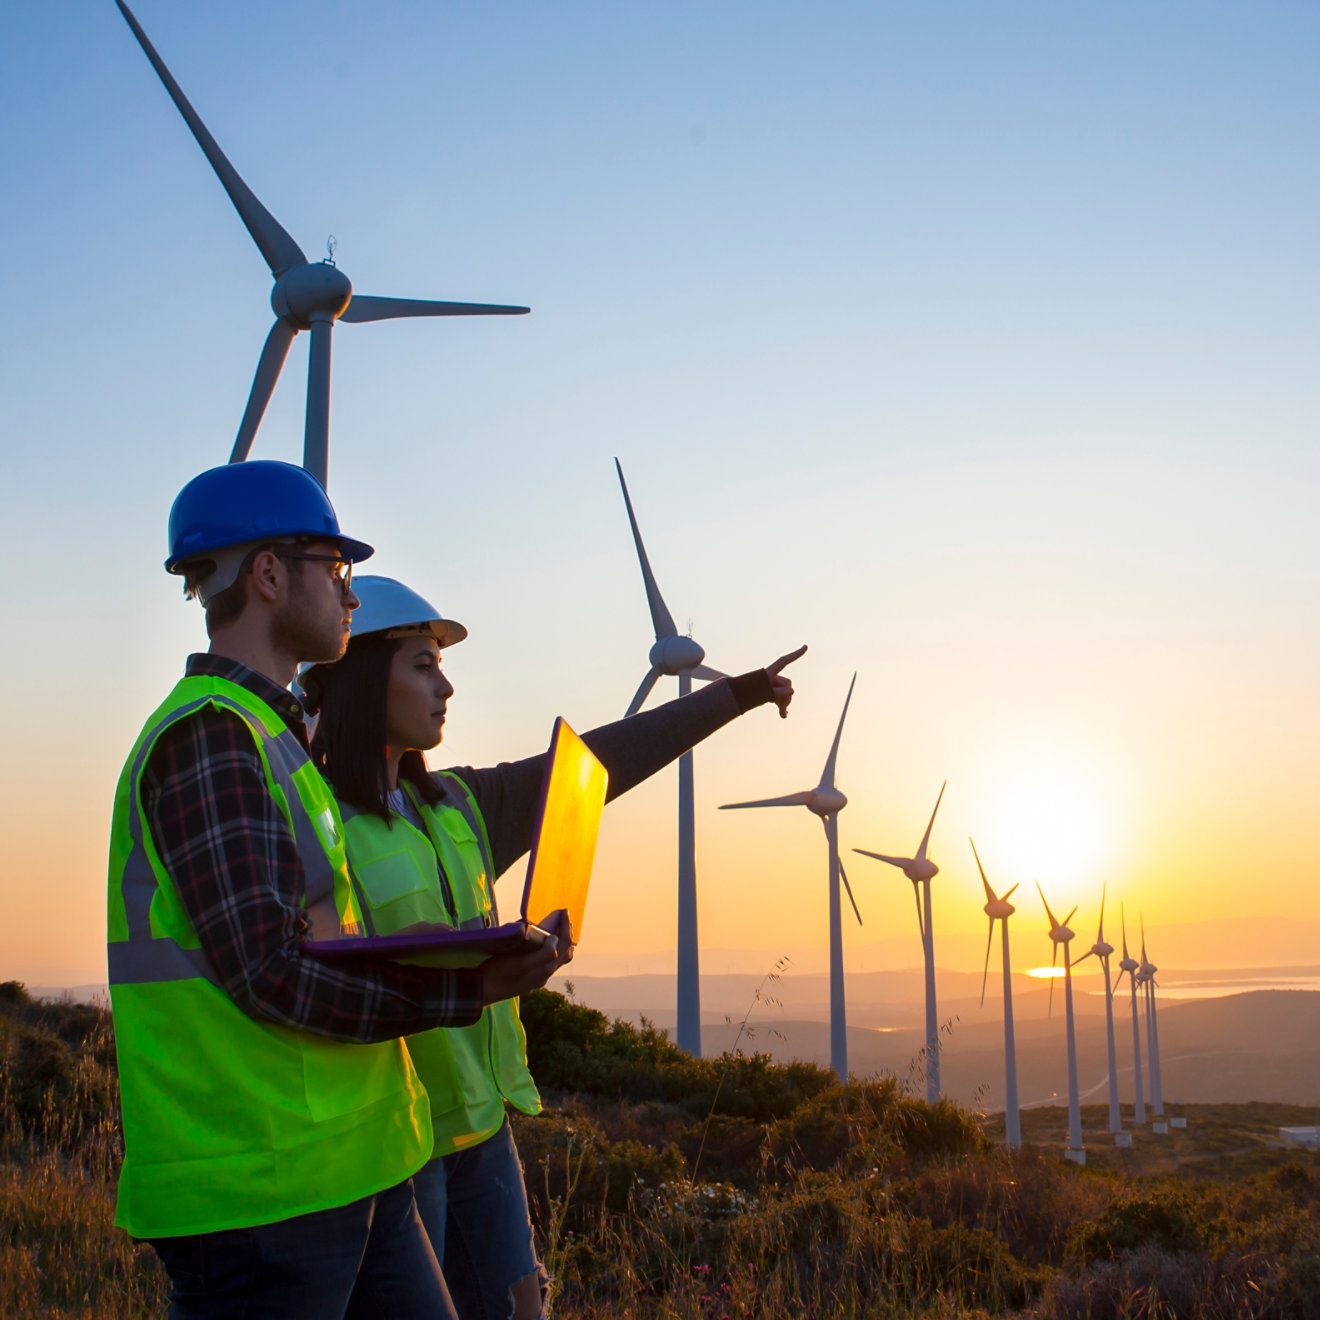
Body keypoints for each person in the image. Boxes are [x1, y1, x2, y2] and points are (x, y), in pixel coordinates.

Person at [106, 462, 570, 1320]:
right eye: (336, 568)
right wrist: (464, 988)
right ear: (270, 575)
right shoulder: (211, 738)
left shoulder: (276, 743)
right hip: (262, 1197)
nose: (351, 598)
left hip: (358, 1164)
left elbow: (325, 939)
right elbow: (271, 972)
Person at [303, 573, 805, 1320]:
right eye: (422, 664)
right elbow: (317, 980)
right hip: (394, 1148)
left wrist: (735, 694)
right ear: (362, 678)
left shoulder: (461, 806)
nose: (446, 687)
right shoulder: (316, 822)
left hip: (484, 1134)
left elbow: (601, 766)